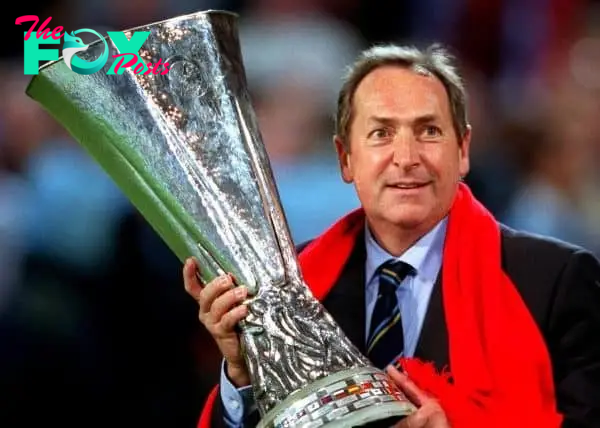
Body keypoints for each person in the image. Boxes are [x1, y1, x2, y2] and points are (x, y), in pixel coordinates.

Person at [183, 44, 600, 428]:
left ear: (464, 150)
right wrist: (240, 377)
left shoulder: (556, 280)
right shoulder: (287, 286)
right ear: (345, 158)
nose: (406, 158)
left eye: (429, 131)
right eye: (381, 133)